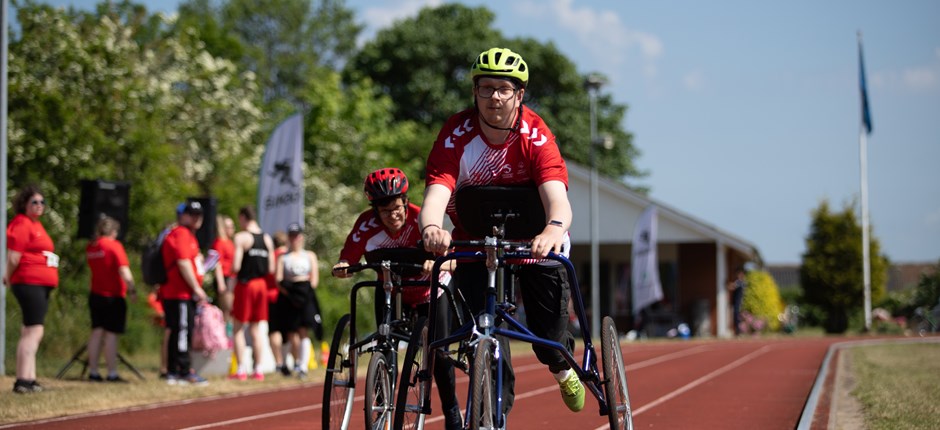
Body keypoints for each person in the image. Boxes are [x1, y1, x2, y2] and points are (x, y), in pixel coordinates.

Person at [419, 47, 584, 416]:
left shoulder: (535, 135)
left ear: (519, 94)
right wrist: (431, 227)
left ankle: (560, 368)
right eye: (486, 88)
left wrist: (554, 228)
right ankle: (494, 416)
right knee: (484, 330)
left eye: (504, 89)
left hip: (535, 242)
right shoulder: (456, 134)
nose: (494, 96)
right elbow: (436, 194)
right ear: (474, 92)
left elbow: (557, 199)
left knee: (548, 343)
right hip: (476, 243)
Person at [332, 168, 461, 429]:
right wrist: (343, 266)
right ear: (375, 210)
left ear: (405, 201)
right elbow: (348, 258)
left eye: (397, 208)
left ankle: (452, 414)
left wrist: (436, 265)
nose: (393, 216)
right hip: (392, 288)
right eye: (385, 211)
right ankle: (381, 409)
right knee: (384, 342)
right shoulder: (366, 225)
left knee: (440, 356)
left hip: (430, 291)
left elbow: (454, 261)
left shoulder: (421, 220)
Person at [5, 185, 59, 394]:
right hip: (29, 282)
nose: (39, 206)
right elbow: (13, 256)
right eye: (34, 202)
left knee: (29, 330)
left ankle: (29, 378)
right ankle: (22, 380)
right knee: (34, 330)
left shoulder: (35, 224)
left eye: (42, 202)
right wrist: (7, 277)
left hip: (40, 282)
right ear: (24, 205)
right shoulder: (21, 223)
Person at [160, 201, 210, 386]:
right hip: (179, 293)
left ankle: (174, 371)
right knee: (181, 331)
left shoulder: (189, 235)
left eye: (199, 214)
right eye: (192, 214)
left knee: (178, 330)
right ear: (184, 215)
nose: (196, 218)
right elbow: (182, 262)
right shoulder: (181, 233)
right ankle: (183, 370)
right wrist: (197, 288)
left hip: (181, 293)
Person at [85, 216, 137, 383]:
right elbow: (124, 270)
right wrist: (132, 289)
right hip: (112, 296)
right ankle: (112, 372)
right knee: (111, 335)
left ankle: (93, 371)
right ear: (113, 231)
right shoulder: (114, 246)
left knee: (96, 332)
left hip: (95, 294)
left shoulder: (92, 247)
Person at [230, 206, 275, 381]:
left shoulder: (241, 237)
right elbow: (271, 267)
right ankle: (258, 369)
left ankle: (241, 369)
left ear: (242, 218)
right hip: (261, 285)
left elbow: (235, 266)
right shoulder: (267, 239)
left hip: (246, 284)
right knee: (256, 329)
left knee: (238, 328)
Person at [275, 222, 320, 378]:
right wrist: (290, 293)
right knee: (288, 332)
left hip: (305, 296)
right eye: (291, 236)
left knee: (303, 331)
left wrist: (304, 293)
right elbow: (278, 279)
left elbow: (314, 280)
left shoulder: (309, 256)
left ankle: (302, 366)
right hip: (289, 296)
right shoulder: (283, 258)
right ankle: (285, 364)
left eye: (297, 235)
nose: (294, 239)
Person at [267, 230, 289, 376]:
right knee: (288, 331)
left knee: (274, 331)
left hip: (272, 296)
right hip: (287, 297)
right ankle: (289, 361)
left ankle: (279, 362)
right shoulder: (289, 256)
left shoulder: (272, 256)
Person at [210, 215, 236, 319]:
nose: (232, 229)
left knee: (231, 309)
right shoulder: (219, 243)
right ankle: (224, 332)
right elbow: (217, 263)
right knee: (226, 309)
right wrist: (221, 283)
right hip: (225, 278)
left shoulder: (230, 242)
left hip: (232, 278)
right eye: (229, 227)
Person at [728, 267, 747, 336]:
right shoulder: (742, 282)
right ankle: (738, 330)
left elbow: (732, 287)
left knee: (737, 316)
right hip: (738, 302)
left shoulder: (740, 282)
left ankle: (738, 331)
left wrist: (727, 284)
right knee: (737, 316)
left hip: (738, 302)